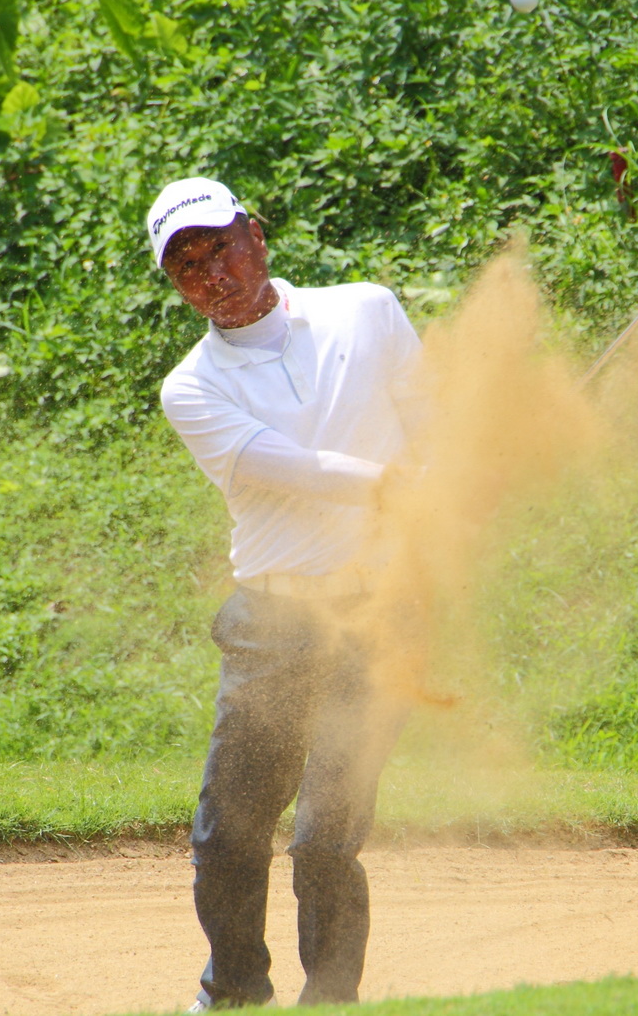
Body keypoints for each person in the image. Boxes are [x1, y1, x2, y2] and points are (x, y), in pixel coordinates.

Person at [148, 177, 423, 1010]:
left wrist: (456, 483)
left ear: (256, 236)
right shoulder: (191, 387)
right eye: (185, 264)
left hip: (377, 618)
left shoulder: (366, 309)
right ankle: (232, 991)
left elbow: (434, 415)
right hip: (271, 624)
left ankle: (329, 1003)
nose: (210, 273)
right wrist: (392, 487)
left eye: (219, 246)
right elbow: (291, 471)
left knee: (326, 841)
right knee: (229, 834)